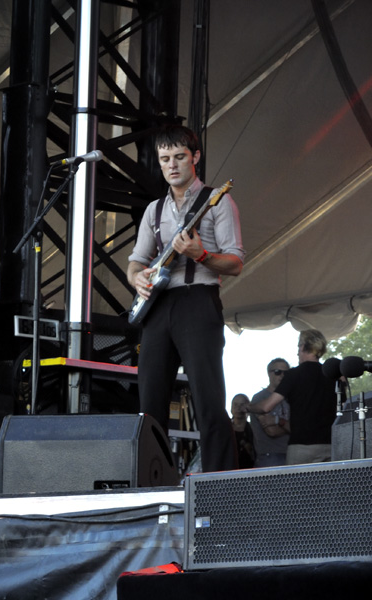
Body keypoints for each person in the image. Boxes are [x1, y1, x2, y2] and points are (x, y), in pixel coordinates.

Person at [127, 125, 245, 473]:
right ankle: (151, 483)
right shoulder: (154, 209)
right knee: (150, 405)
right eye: (165, 159)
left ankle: (219, 484)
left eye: (179, 157)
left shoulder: (218, 200)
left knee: (208, 400)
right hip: (158, 306)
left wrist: (201, 254)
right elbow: (136, 260)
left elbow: (236, 263)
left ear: (195, 157)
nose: (172, 165)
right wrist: (136, 278)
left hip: (199, 300)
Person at [247, 329, 336, 465]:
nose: (297, 352)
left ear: (303, 346)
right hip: (330, 445)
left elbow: (266, 406)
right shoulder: (332, 376)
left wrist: (249, 407)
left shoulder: (294, 374)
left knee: (297, 480)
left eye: (298, 346)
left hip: (301, 445)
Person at [250, 358, 291, 467]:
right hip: (270, 455)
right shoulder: (259, 398)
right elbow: (271, 431)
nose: (282, 375)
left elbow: (299, 428)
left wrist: (277, 421)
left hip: (291, 453)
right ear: (269, 373)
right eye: (278, 372)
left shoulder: (291, 398)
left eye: (286, 373)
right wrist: (290, 426)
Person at [230, 393, 255, 469]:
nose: (238, 408)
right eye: (235, 405)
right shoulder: (225, 429)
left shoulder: (253, 429)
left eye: (242, 405)